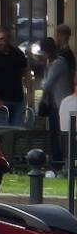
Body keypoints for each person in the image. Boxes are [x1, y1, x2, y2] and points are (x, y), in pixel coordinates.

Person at [43, 25, 74, 163]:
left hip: (59, 101)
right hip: (61, 99)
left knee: (58, 133)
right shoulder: (67, 55)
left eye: (57, 35)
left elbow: (47, 84)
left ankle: (59, 162)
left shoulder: (62, 58)